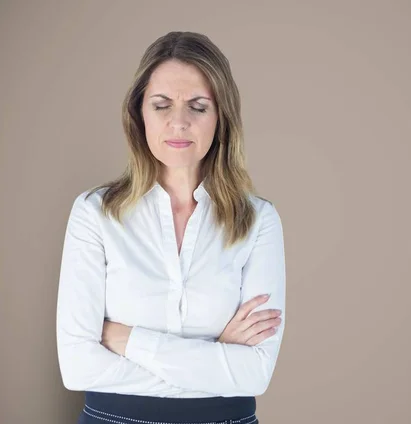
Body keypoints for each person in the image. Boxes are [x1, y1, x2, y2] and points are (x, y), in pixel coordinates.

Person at [55, 31, 286, 424]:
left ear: (221, 118)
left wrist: (126, 339)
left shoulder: (258, 220)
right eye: (161, 105)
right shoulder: (95, 213)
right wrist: (216, 357)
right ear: (139, 114)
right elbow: (78, 366)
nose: (179, 122)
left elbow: (255, 373)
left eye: (198, 107)